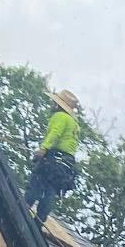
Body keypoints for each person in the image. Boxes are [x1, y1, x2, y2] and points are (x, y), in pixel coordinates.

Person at [22, 90, 81, 225]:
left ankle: (22, 210)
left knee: (36, 185)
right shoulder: (74, 124)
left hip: (53, 159)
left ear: (57, 104)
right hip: (65, 165)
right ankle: (39, 221)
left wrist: (43, 149)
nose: (52, 104)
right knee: (50, 190)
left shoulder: (60, 116)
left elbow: (55, 133)